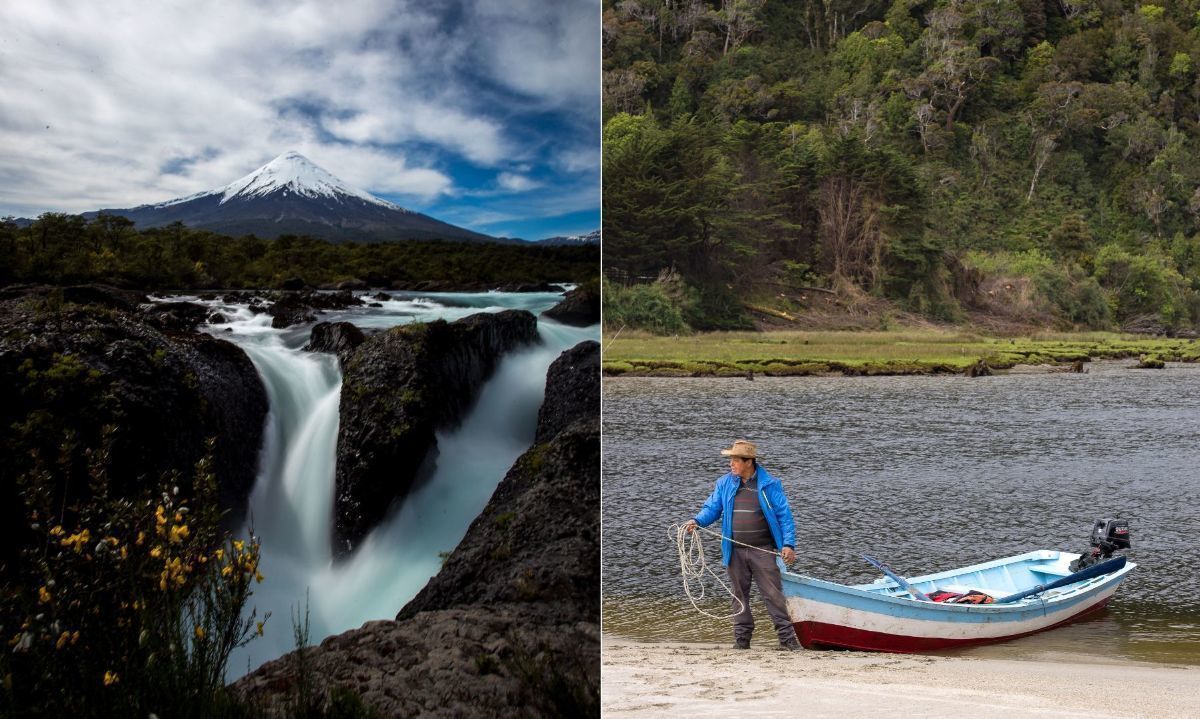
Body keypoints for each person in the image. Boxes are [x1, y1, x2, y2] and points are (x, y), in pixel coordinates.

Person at [685, 440, 801, 651]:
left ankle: (787, 640)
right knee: (738, 595)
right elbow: (712, 508)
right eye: (731, 460)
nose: (731, 464)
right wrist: (697, 521)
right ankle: (741, 641)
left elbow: (785, 516)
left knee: (773, 595)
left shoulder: (769, 484)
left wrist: (788, 544)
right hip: (734, 550)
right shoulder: (725, 483)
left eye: (735, 460)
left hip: (763, 550)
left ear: (749, 462)